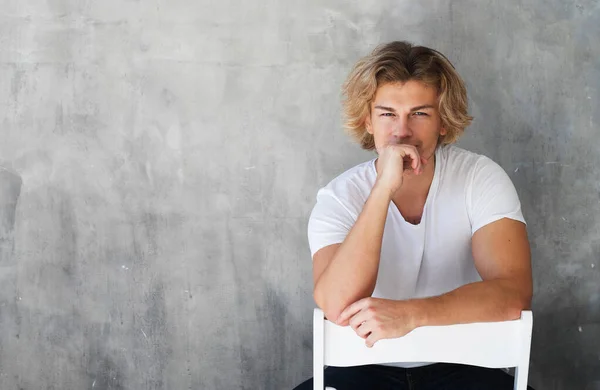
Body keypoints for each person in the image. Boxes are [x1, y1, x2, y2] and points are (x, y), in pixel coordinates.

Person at [293, 41, 535, 390]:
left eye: (420, 113)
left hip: (463, 362)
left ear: (442, 122)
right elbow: (336, 304)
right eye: (388, 113)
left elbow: (514, 295)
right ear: (368, 121)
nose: (402, 131)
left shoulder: (480, 178)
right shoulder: (339, 196)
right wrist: (382, 191)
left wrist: (411, 315)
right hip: (364, 367)